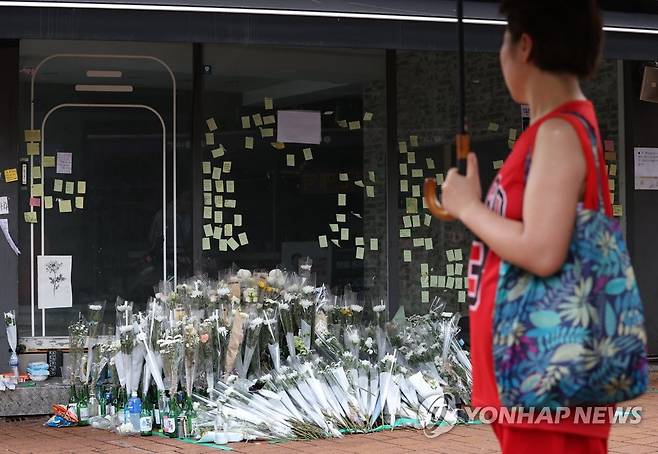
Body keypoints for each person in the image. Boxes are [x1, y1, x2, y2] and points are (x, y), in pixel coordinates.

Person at [441, 1, 612, 453]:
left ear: (526, 46)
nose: (500, 56)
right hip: (531, 373)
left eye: (503, 39)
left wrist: (469, 207)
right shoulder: (552, 131)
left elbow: (541, 249)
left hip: (543, 376)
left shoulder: (559, 133)